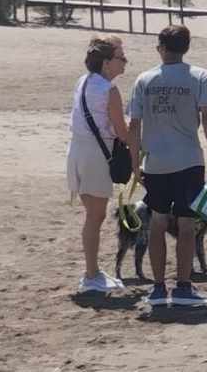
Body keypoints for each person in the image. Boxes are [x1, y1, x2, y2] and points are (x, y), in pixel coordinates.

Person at [128, 25, 207, 306]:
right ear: (186, 47)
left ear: (161, 47)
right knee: (186, 224)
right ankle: (183, 285)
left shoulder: (144, 79)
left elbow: (134, 124)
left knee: (157, 222)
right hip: (189, 160)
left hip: (156, 161)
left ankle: (158, 288)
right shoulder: (199, 76)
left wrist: (135, 164)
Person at [67, 36, 130, 293]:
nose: (125, 63)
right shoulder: (109, 90)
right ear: (106, 63)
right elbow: (121, 132)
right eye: (121, 58)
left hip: (77, 151)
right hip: (95, 154)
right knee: (95, 216)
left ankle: (92, 272)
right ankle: (91, 274)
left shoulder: (84, 81)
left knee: (92, 214)